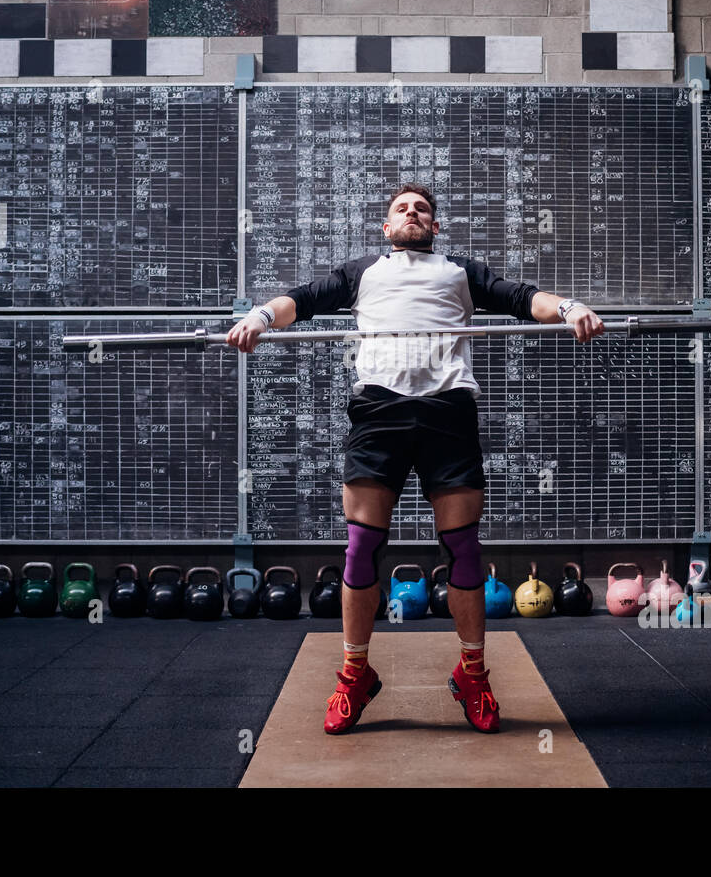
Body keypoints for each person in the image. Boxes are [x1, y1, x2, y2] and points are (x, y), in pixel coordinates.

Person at [226, 183, 605, 734]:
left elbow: (526, 299)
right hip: (379, 413)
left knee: (464, 549)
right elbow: (300, 301)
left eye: (422, 208)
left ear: (434, 225)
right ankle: (355, 674)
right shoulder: (363, 272)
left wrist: (571, 308)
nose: (412, 213)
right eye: (401, 208)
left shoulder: (459, 272)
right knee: (361, 548)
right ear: (387, 227)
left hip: (447, 413)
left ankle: (473, 672)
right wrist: (260, 318)